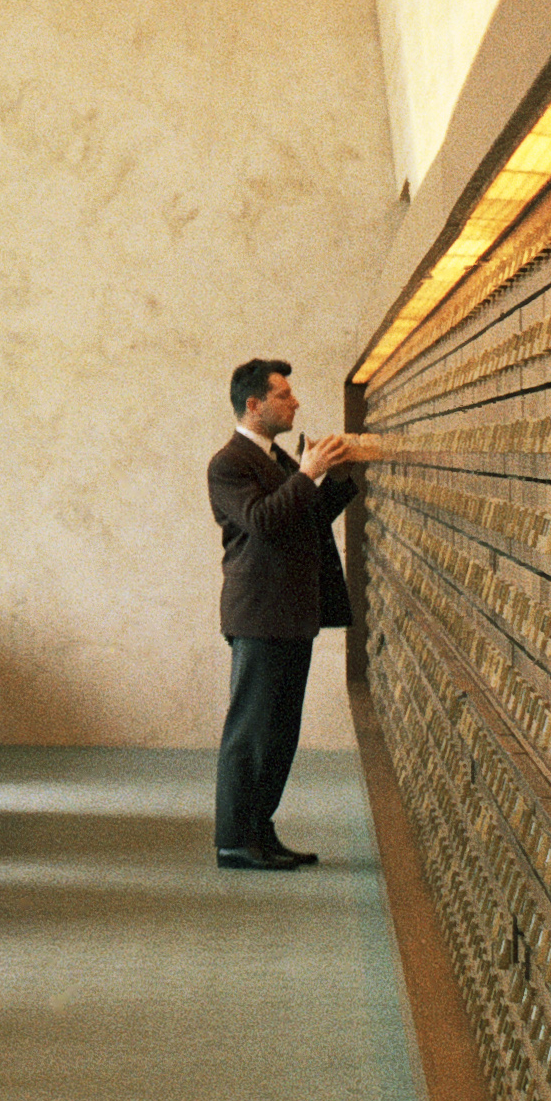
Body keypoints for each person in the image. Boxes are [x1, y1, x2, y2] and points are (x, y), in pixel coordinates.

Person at [207, 360, 365, 871]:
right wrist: (308, 473)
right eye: (283, 395)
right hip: (259, 615)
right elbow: (264, 522)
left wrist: (337, 477)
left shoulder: (275, 458)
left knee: (280, 733)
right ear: (253, 405)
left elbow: (305, 521)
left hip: (292, 613)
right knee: (251, 732)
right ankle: (234, 840)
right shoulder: (229, 463)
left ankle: (260, 828)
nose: (294, 403)